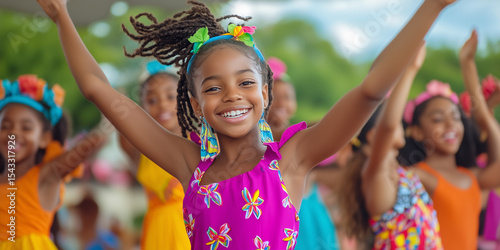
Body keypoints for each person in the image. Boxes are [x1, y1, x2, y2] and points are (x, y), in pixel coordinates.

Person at [37, 0, 458, 248]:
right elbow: (98, 90)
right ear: (196, 105)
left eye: (244, 82)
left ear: (266, 94)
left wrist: (431, 7)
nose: (233, 95)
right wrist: (61, 17)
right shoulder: (189, 165)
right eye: (214, 88)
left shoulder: (292, 159)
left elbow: (369, 91)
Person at [399, 30, 500, 250]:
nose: (450, 125)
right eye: (437, 119)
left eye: (456, 117)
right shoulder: (418, 176)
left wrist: (468, 64)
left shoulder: (472, 177)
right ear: (416, 131)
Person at [338, 45, 442, 249]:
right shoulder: (374, 173)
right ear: (373, 136)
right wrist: (410, 69)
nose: (400, 125)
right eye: (397, 122)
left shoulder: (403, 174)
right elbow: (388, 127)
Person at [0, 75, 104, 249]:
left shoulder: (47, 175)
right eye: (5, 126)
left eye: (26, 127)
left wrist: (111, 112)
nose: (13, 133)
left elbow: (90, 144)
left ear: (44, 138)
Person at [119, 60, 190, 249]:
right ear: (142, 107)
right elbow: (122, 125)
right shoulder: (142, 150)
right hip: (156, 235)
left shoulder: (201, 143)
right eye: (152, 100)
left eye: (170, 96)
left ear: (185, 100)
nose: (162, 105)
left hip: (192, 232)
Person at [267, 57, 297, 141]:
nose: (281, 103)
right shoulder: (257, 131)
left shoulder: (290, 128)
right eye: (274, 97)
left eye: (287, 97)